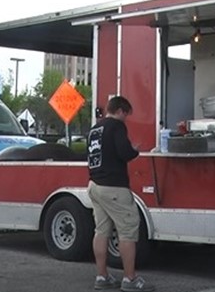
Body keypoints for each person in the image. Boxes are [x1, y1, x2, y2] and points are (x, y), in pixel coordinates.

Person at [87, 96, 154, 291]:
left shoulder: (94, 129)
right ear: (120, 111)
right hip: (114, 186)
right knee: (127, 231)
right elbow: (124, 152)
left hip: (94, 184)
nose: (126, 119)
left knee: (101, 231)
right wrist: (134, 150)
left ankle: (102, 276)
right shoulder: (116, 126)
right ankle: (130, 279)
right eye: (126, 114)